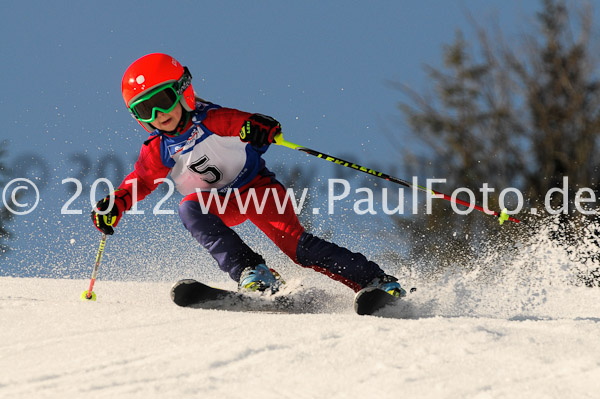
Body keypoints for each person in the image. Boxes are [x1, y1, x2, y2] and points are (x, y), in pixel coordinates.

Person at [91, 52, 405, 297]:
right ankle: (253, 272)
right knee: (189, 206)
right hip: (220, 201)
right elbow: (142, 180)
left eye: (163, 101)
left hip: (258, 191)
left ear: (183, 91)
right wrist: (116, 203)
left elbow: (244, 124)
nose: (159, 115)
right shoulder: (158, 148)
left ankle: (375, 280)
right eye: (146, 111)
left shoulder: (213, 119)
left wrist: (259, 128)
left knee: (299, 248)